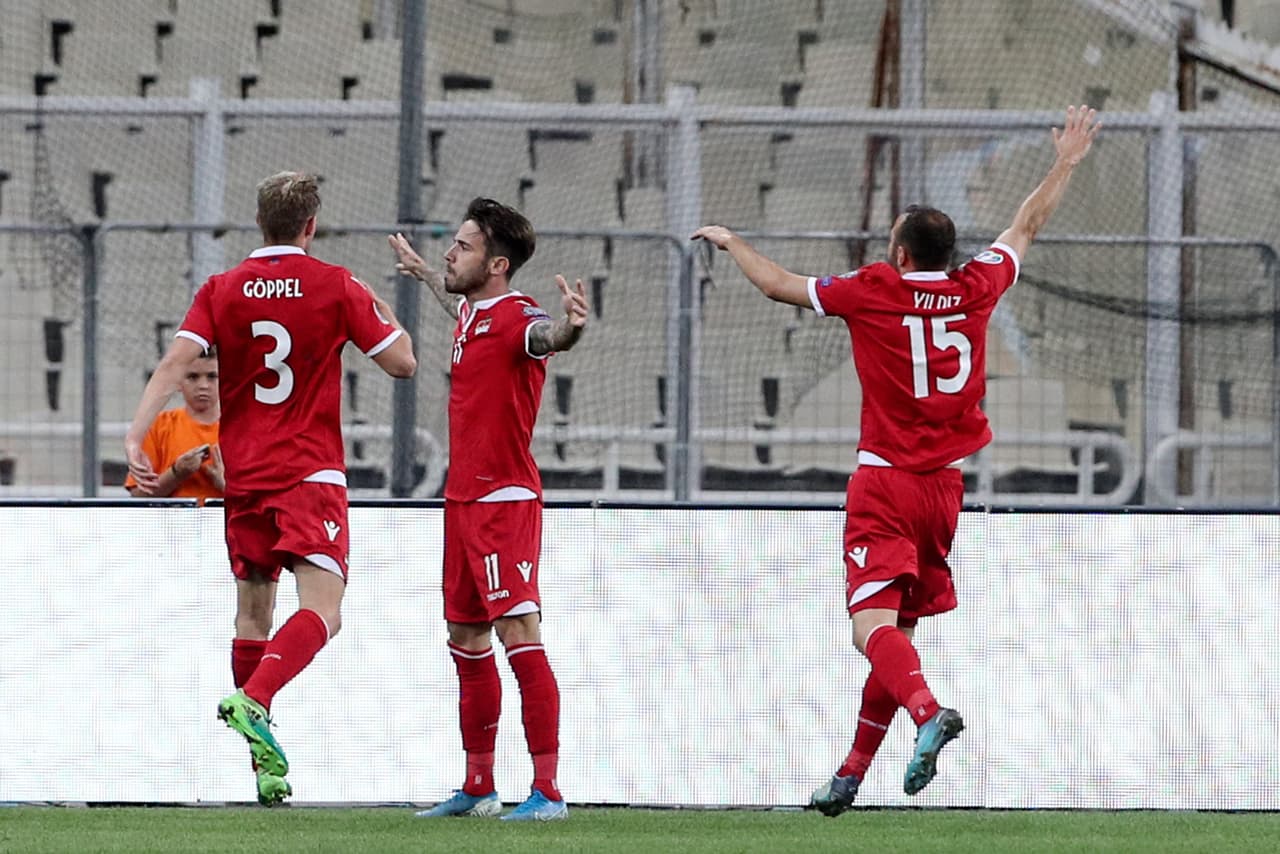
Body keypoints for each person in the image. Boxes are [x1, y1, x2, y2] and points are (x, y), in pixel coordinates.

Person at [693, 105, 1100, 814]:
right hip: (945, 490)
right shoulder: (977, 286)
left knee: (868, 630)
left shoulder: (874, 291)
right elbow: (1027, 224)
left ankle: (928, 713)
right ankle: (851, 774)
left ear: (902, 254)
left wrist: (731, 241)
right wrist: (1066, 160)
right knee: (897, 635)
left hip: (884, 483)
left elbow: (777, 284)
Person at [126, 171, 416, 806]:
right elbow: (402, 364)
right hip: (308, 473)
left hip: (245, 474)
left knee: (253, 613)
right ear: (311, 226)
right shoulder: (337, 283)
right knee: (325, 609)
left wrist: (134, 435)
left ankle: (263, 766)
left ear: (259, 222)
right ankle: (255, 698)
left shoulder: (221, 289)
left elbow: (176, 364)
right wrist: (386, 313)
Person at [387, 197, 588, 822]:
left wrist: (572, 328)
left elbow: (543, 337)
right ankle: (477, 784)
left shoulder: (521, 317)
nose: (452, 250)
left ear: (497, 264)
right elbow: (469, 311)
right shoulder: (475, 313)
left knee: (517, 632)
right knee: (465, 637)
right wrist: (426, 274)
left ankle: (549, 790)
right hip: (461, 501)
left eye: (464, 245)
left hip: (503, 501)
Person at [124, 346, 224, 502]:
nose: (203, 385)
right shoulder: (159, 426)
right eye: (192, 377)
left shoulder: (243, 429)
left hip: (226, 523)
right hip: (174, 524)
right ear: (178, 382)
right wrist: (176, 473)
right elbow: (138, 495)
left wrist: (227, 486)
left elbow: (265, 497)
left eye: (212, 376)